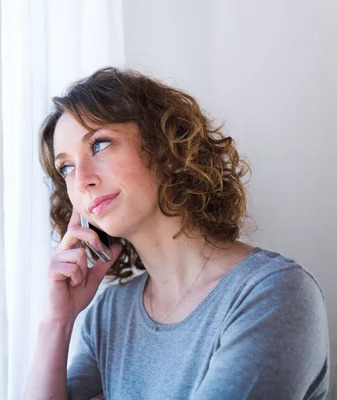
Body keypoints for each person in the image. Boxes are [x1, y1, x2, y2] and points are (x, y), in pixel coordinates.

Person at [23, 67, 330, 399]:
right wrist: (58, 321)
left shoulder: (272, 293)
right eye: (66, 167)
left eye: (99, 144)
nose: (81, 180)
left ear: (164, 146)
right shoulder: (109, 314)